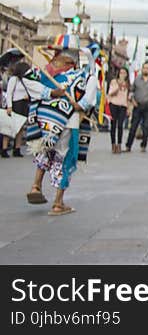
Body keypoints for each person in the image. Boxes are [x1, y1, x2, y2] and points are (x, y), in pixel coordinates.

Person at [24, 35, 96, 216]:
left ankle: (36, 185)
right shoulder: (85, 76)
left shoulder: (45, 74)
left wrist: (49, 93)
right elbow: (90, 97)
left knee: (45, 151)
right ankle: (58, 203)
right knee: (65, 158)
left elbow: (28, 82)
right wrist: (81, 105)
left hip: (46, 122)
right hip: (69, 122)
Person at [125, 61, 148, 152]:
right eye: (144, 68)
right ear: (142, 69)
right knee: (133, 127)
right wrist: (132, 100)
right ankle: (128, 145)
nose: (146, 70)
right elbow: (131, 91)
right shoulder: (137, 79)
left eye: (147, 68)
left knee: (146, 127)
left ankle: (143, 145)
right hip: (138, 105)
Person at [3, 61, 31, 158]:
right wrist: (9, 106)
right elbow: (9, 93)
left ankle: (17, 148)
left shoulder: (26, 80)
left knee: (20, 127)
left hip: (24, 103)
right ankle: (4, 148)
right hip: (15, 104)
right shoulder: (14, 79)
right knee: (10, 127)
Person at [106, 67, 130, 154]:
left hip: (123, 105)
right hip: (114, 104)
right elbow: (110, 93)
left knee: (120, 125)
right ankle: (113, 144)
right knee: (113, 125)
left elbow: (127, 96)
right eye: (121, 73)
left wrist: (128, 107)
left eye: (124, 73)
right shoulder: (114, 81)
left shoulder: (127, 83)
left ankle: (119, 144)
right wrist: (118, 86)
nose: (122, 74)